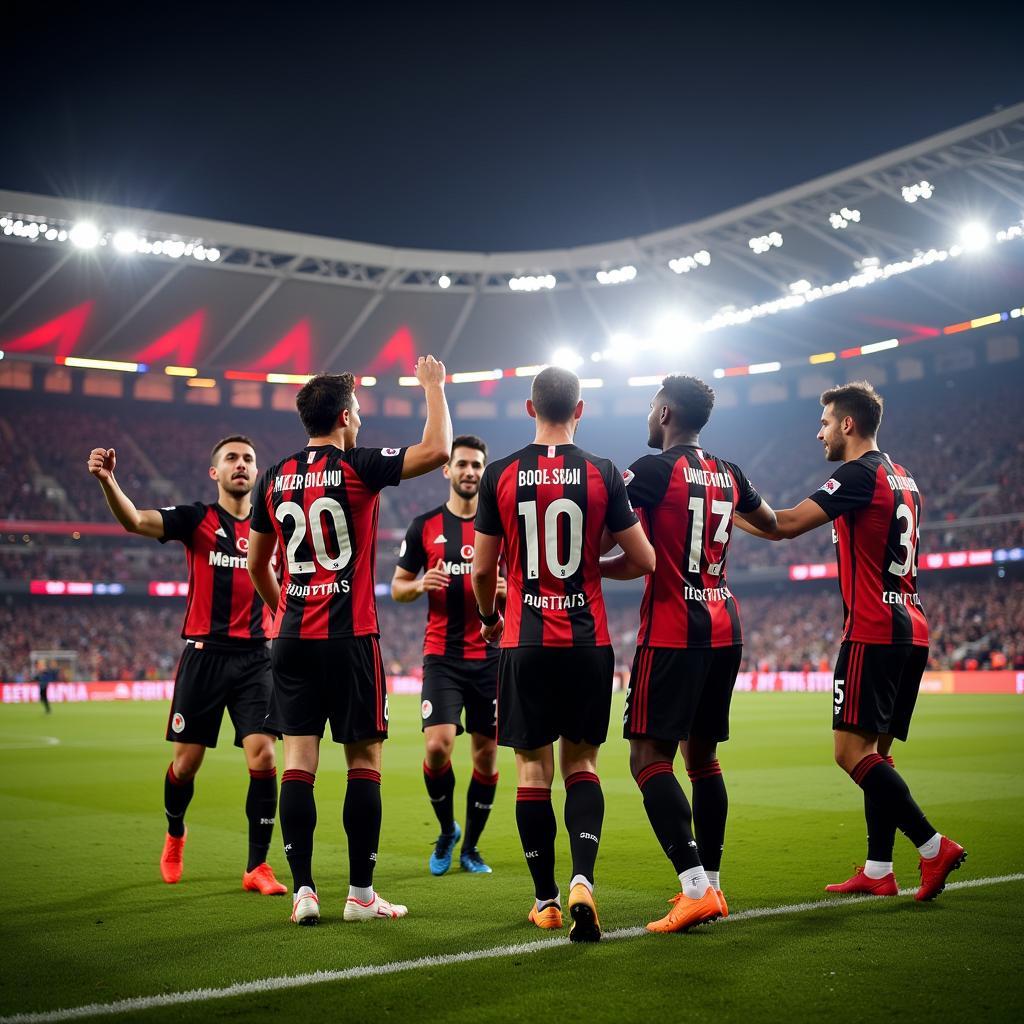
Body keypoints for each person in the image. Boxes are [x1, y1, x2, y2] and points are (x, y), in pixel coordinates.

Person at [735, 380, 965, 901]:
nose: (818, 433)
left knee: (849, 752)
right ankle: (879, 869)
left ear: (847, 424)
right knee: (877, 754)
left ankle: (932, 847)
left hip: (872, 630)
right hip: (912, 626)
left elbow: (786, 525)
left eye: (823, 423)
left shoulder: (858, 475)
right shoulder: (904, 478)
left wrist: (726, 510)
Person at [247, 357, 452, 926]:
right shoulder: (358, 465)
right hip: (351, 636)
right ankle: (361, 895)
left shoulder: (274, 475)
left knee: (298, 764)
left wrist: (284, 608)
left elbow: (255, 563)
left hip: (291, 638)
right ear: (342, 416)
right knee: (363, 762)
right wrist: (433, 387)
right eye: (357, 410)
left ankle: (305, 891)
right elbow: (437, 448)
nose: (360, 419)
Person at [472, 366, 655, 942]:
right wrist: (591, 570)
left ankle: (547, 901)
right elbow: (644, 560)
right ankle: (583, 881)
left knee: (532, 770)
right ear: (581, 409)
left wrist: (489, 618)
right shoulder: (602, 472)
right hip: (587, 641)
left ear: (530, 410)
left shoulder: (500, 473)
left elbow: (481, 569)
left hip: (523, 641)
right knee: (583, 766)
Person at [603, 375, 778, 933]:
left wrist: (581, 566)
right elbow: (771, 523)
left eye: (652, 407)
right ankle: (716, 886)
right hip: (726, 626)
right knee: (702, 761)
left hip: (674, 630)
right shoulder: (730, 472)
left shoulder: (651, 471)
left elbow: (611, 540)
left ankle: (693, 885)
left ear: (667, 413)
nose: (648, 416)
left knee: (646, 757)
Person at [87, 437, 287, 896]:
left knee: (264, 755)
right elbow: (135, 520)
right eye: (232, 458)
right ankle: (176, 831)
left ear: (257, 474)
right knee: (186, 764)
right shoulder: (197, 519)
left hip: (258, 657)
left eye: (249, 459)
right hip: (204, 657)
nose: (242, 465)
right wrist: (108, 480)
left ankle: (257, 866)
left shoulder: (274, 526)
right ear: (214, 472)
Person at [391, 435, 503, 877]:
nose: (470, 472)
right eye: (463, 464)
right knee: (437, 747)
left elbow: (526, 583)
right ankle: (446, 830)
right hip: (442, 655)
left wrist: (508, 590)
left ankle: (471, 848)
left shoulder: (499, 526)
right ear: (447, 469)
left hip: (492, 656)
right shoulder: (424, 526)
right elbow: (397, 587)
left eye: (477, 465)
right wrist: (419, 585)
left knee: (486, 757)